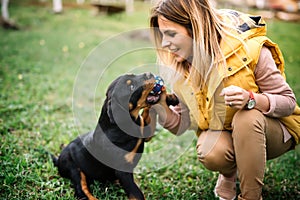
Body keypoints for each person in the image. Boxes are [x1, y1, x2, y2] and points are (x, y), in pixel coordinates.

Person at [148, 0, 300, 199]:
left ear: (195, 28)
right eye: (162, 36)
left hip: (275, 130)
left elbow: (288, 102)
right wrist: (160, 106)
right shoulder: (183, 66)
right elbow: (182, 125)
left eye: (171, 34)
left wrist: (251, 99)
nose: (165, 44)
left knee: (246, 118)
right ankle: (229, 173)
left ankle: (250, 196)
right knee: (211, 151)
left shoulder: (249, 50)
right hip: (228, 131)